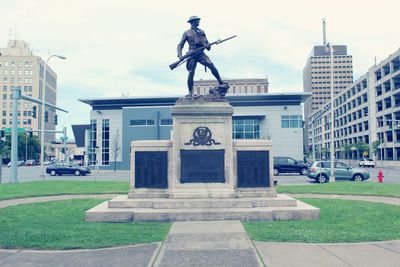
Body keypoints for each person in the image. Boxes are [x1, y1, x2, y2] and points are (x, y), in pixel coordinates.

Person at [177, 16, 226, 97]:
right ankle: (190, 92)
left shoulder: (202, 31)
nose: (199, 22)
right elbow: (180, 45)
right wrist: (180, 55)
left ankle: (220, 81)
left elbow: (208, 46)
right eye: (197, 21)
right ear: (193, 22)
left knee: (211, 65)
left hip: (201, 53)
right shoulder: (186, 33)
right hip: (192, 53)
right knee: (191, 72)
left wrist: (209, 44)